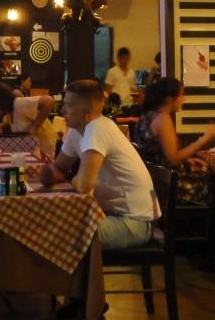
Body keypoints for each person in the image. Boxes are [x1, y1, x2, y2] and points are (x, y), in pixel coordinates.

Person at [40, 79, 157, 251]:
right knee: (46, 222)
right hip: (107, 214)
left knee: (56, 233)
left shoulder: (97, 129)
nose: (62, 110)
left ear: (86, 111)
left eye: (68, 105)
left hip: (134, 223)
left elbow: (84, 186)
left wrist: (73, 179)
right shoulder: (77, 129)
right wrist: (44, 173)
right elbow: (58, 169)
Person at [135, 77, 215, 208]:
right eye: (181, 95)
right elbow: (174, 159)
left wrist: (186, 159)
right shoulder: (163, 119)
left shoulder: (147, 115)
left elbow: (159, 153)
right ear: (169, 99)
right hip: (169, 186)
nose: (183, 99)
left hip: (154, 180)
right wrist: (204, 139)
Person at [0, 81, 57, 159]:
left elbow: (48, 101)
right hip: (33, 151)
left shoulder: (19, 103)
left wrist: (34, 127)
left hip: (47, 151)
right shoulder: (8, 113)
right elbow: (16, 127)